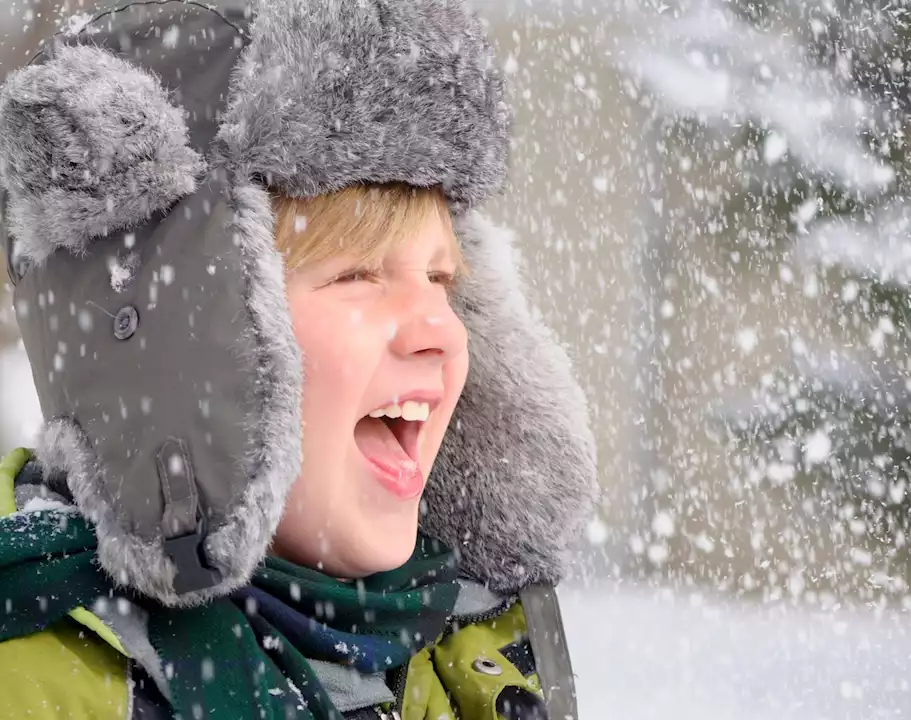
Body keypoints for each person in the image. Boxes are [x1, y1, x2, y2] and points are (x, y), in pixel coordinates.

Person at [0, 1, 597, 718]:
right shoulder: (33, 679)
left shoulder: (469, 666)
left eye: (443, 281)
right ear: (175, 343)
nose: (439, 329)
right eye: (359, 274)